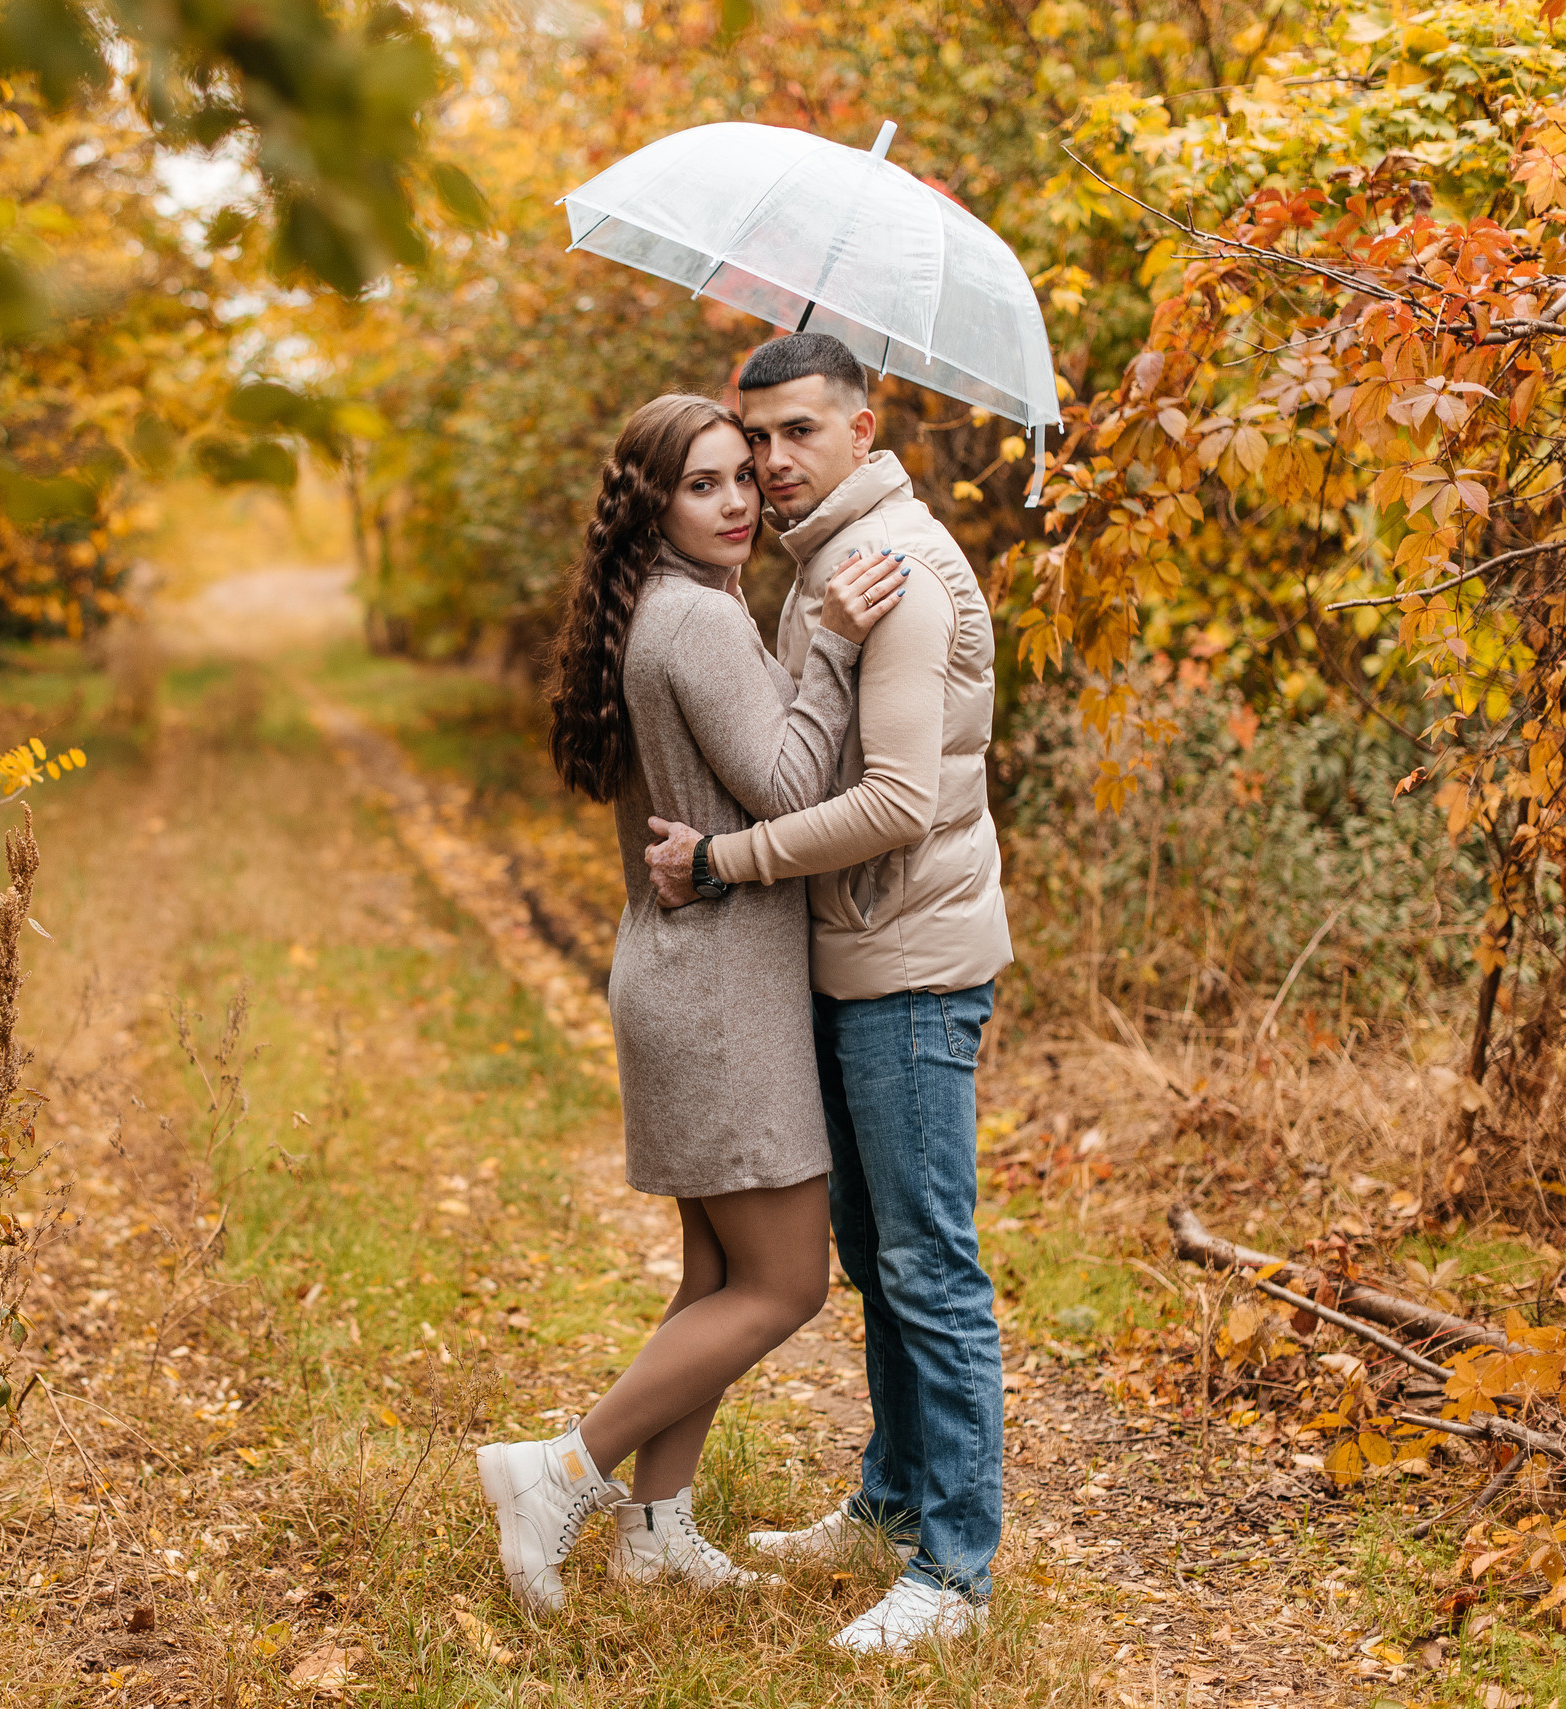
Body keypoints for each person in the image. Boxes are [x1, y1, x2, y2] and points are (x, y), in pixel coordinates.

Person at [474, 392, 909, 1620]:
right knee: (785, 1287)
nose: (736, 501)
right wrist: (827, 640)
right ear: (652, 503)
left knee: (716, 1275)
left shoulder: (663, 608)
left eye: (741, 477)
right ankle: (558, 1469)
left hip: (686, 972)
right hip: (719, 989)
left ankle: (659, 1530)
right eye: (703, 484)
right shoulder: (696, 621)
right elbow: (782, 787)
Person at [643, 332, 1013, 1654]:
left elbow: (900, 799)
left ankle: (954, 1574)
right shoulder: (822, 570)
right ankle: (891, 1500)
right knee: (875, 1258)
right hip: (851, 959)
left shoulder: (894, 568)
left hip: (909, 964)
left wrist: (726, 862)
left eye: (799, 432)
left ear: (867, 426)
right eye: (758, 439)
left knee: (929, 1268)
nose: (770, 461)